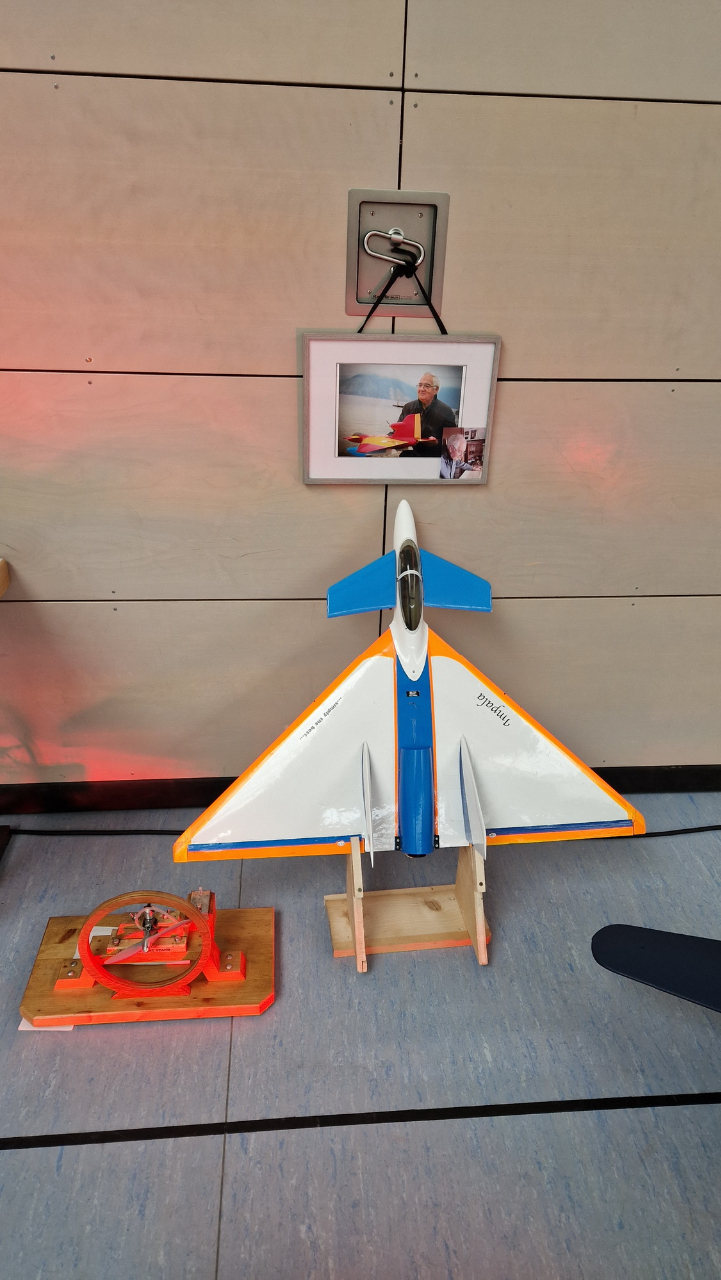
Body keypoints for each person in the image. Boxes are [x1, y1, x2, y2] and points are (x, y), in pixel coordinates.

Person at [393, 373, 455, 457]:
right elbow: (397, 432)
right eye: (420, 385)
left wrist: (437, 443)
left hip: (432, 458)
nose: (422, 389)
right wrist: (387, 437)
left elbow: (451, 442)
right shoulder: (408, 407)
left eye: (427, 386)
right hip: (408, 456)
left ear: (436, 390)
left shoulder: (446, 411)